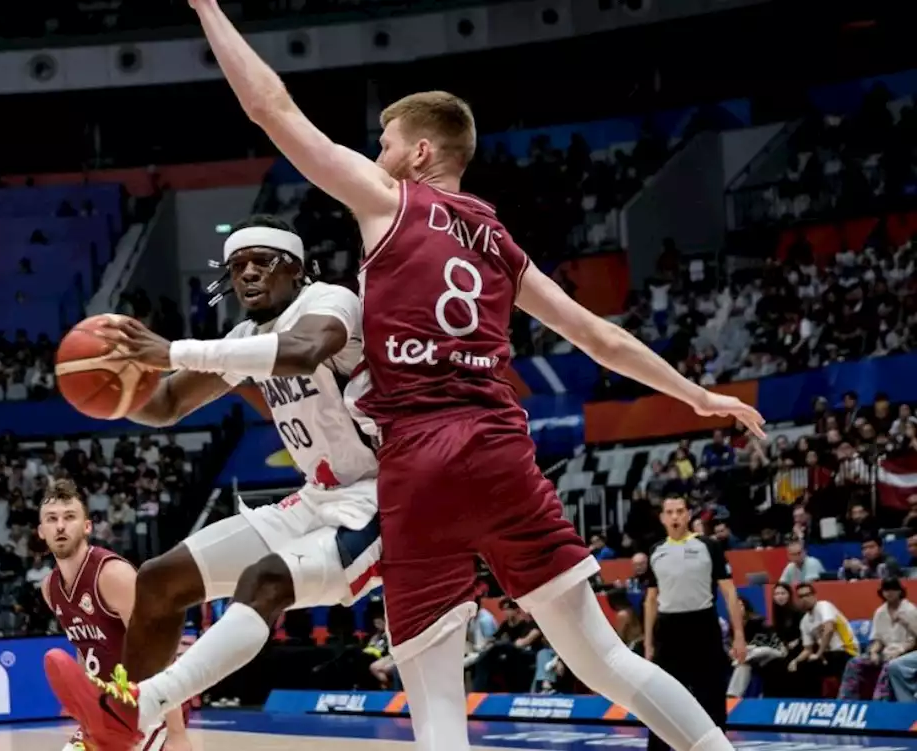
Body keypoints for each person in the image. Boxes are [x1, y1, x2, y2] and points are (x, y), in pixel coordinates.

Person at [171, 3, 767, 750]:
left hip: (419, 460)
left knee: (440, 708)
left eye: (385, 143)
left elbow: (271, 107)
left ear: (420, 153)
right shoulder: (501, 243)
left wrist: (209, 9)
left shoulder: (388, 202)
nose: (376, 153)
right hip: (500, 452)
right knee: (606, 658)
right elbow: (595, 335)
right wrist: (697, 393)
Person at [44, 215, 382, 749]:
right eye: (237, 266)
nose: (247, 274)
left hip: (380, 501)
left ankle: (141, 707)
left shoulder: (329, 301)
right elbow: (169, 402)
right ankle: (121, 724)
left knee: (265, 581)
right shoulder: (246, 337)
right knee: (159, 581)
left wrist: (174, 350)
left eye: (261, 263)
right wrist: (111, 385)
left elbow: (303, 351)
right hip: (315, 498)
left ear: (295, 269)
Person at [37, 481, 191, 751]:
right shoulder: (49, 588)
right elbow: (85, 650)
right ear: (41, 531)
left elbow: (159, 652)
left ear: (87, 526)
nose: (60, 526)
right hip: (106, 709)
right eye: (52, 519)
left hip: (147, 707)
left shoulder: (112, 575)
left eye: (69, 517)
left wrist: (177, 734)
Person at [643, 499, 745, 751]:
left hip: (703, 625)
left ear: (688, 515)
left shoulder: (708, 546)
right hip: (667, 630)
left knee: (711, 697)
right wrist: (648, 643)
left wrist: (739, 635)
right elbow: (650, 600)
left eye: (679, 511)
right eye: (669, 512)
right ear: (662, 518)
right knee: (662, 698)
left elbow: (730, 592)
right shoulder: (655, 550)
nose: (675, 516)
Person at [838, 577, 917, 700]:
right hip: (885, 651)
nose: (889, 593)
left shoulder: (910, 610)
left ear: (900, 591)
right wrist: (873, 652)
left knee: (888, 666)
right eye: (886, 590)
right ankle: (846, 701)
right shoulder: (880, 612)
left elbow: (914, 641)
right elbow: (878, 639)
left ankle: (879, 704)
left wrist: (900, 651)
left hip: (904, 653)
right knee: (854, 663)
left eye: (893, 590)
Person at [787, 582, 859, 696]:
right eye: (801, 596)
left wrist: (819, 653)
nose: (805, 599)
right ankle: (812, 702)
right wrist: (795, 661)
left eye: (807, 595)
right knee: (801, 667)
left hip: (847, 650)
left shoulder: (823, 606)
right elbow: (808, 649)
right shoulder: (805, 621)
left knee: (822, 662)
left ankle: (844, 698)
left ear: (814, 596)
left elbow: (829, 629)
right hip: (828, 655)